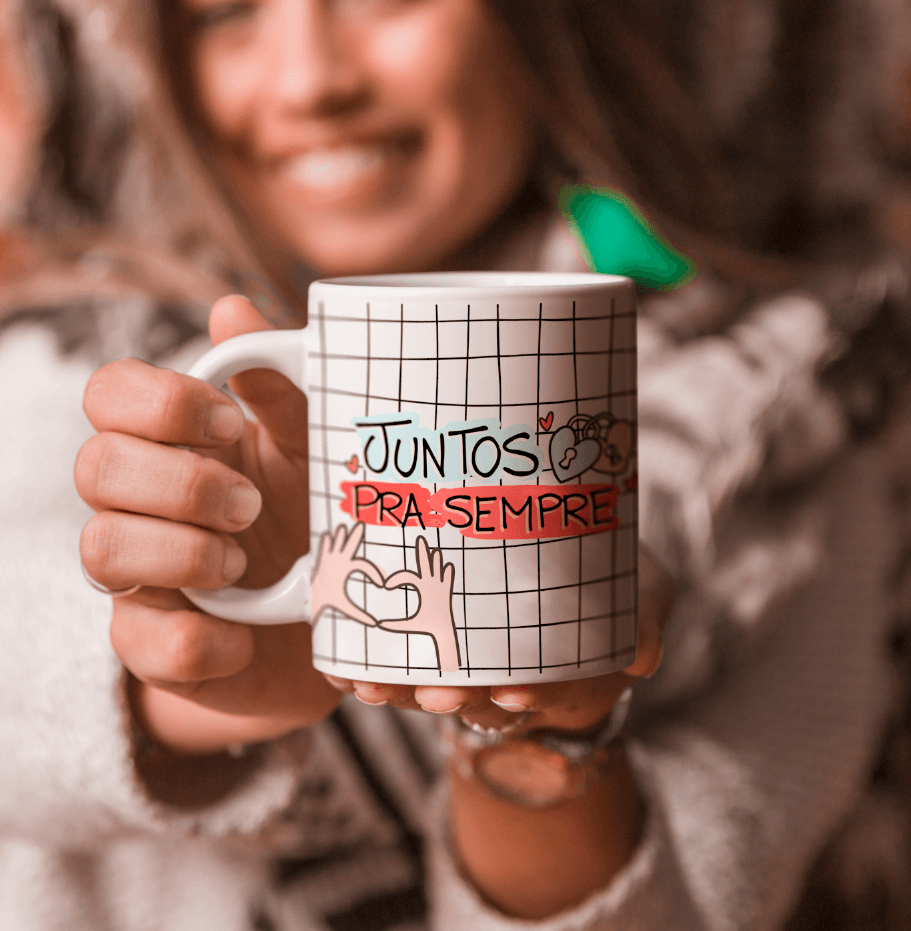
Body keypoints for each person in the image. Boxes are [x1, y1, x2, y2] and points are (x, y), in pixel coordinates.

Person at [0, 0, 908, 929]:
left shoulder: (776, 418)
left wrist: (545, 732)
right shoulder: (84, 348)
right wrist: (199, 670)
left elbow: (704, 901)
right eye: (225, 12)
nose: (310, 82)